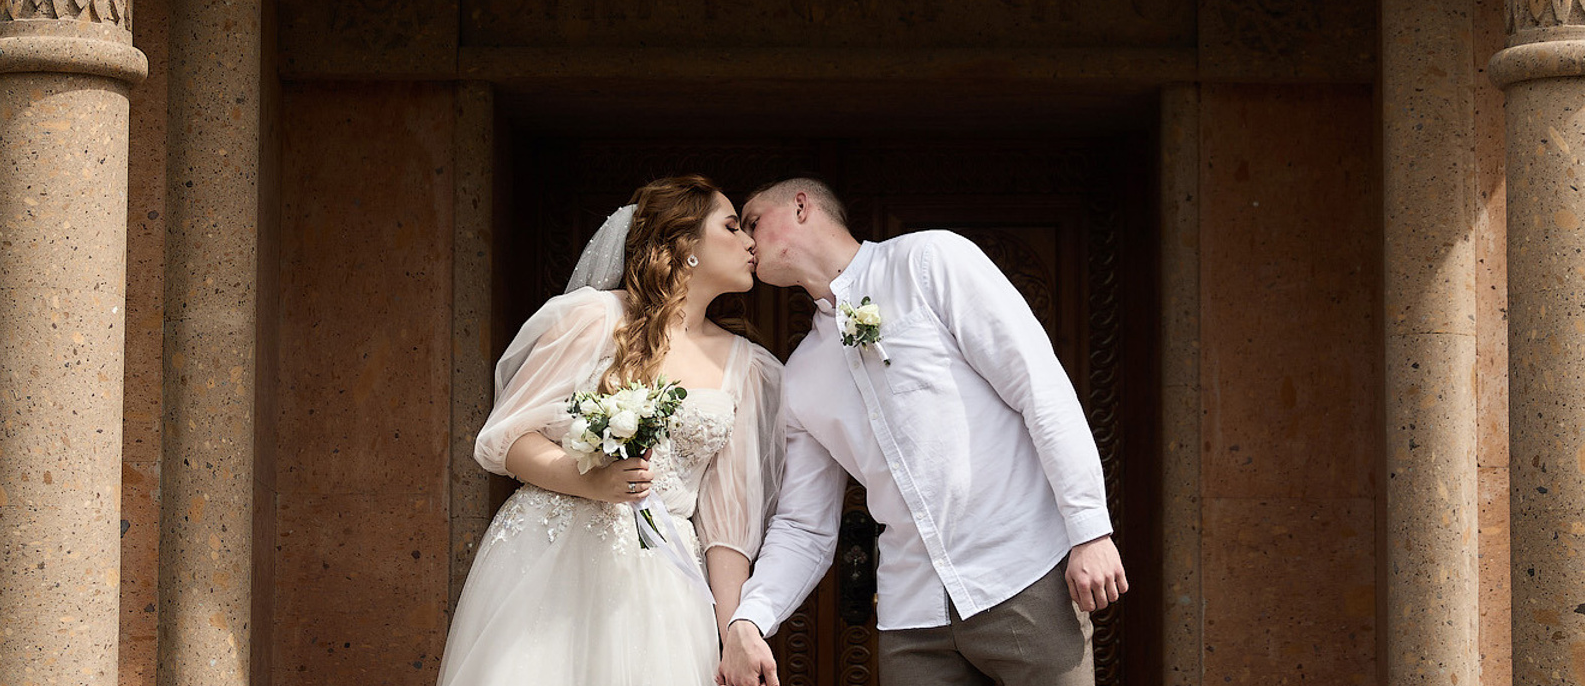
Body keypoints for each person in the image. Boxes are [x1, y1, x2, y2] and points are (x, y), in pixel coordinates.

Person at [719, 177, 1126, 686]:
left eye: (752, 221)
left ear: (801, 206)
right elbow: (804, 524)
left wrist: (1090, 528)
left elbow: (1038, 387)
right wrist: (752, 617)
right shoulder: (800, 376)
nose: (748, 242)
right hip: (912, 621)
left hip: (1023, 576)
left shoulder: (931, 261)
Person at [437, 175, 784, 686]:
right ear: (683, 243)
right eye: (731, 227)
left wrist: (734, 629)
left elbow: (728, 521)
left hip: (662, 576)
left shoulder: (747, 367)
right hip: (556, 556)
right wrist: (590, 481)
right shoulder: (594, 319)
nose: (750, 241)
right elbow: (508, 438)